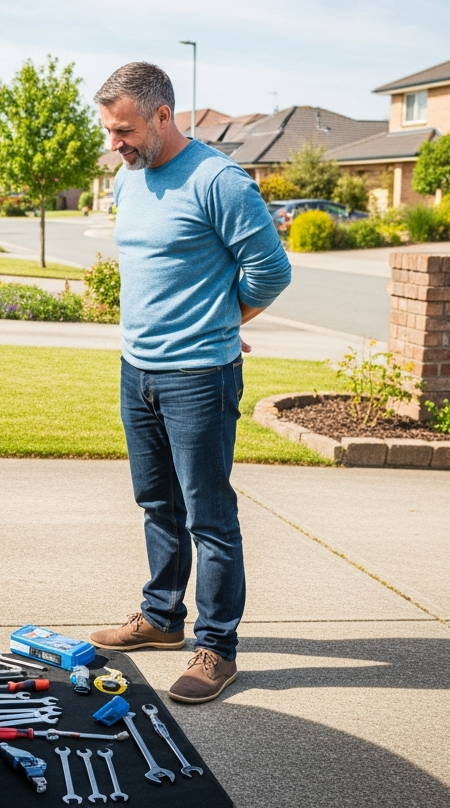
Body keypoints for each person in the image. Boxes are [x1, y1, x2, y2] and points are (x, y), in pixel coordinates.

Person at [87, 63, 291, 704]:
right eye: (109, 132)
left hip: (200, 375)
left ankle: (217, 647)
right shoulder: (129, 177)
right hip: (137, 368)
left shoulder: (219, 180)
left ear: (162, 117)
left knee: (209, 516)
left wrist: (221, 322)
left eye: (123, 131)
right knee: (156, 503)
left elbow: (271, 271)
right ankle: (161, 618)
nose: (114, 144)